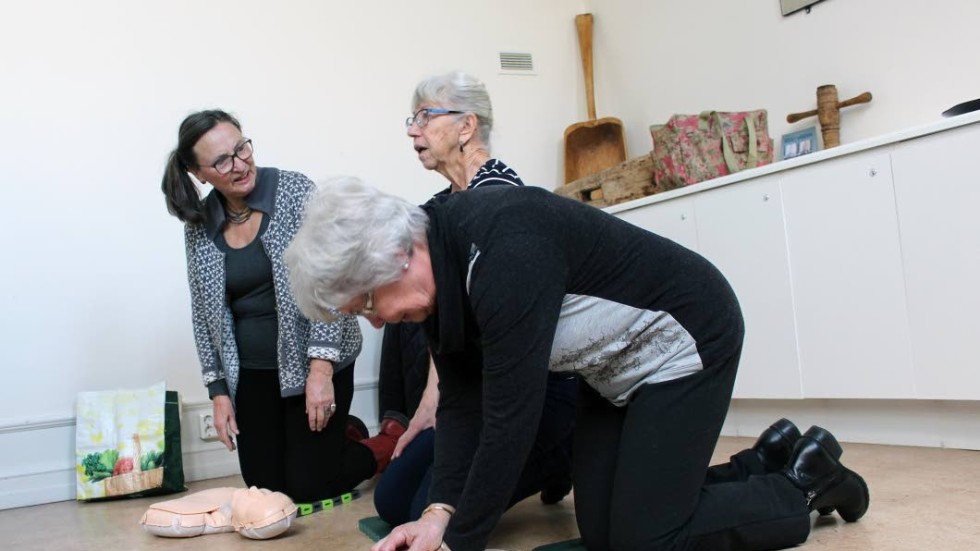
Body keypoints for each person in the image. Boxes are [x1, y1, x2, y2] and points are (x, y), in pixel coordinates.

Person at [285, 179, 871, 551]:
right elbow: (463, 407)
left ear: (397, 255)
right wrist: (440, 514)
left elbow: (511, 419)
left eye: (366, 301)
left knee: (646, 539)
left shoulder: (500, 249)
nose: (376, 320)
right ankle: (763, 462)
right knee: (604, 531)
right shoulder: (440, 276)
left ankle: (807, 483)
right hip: (611, 370)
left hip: (683, 340)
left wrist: (459, 542)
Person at [361, 71, 576, 526]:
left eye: (425, 117)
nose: (411, 130)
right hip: (474, 390)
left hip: (534, 389)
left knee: (428, 509)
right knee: (392, 501)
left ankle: (562, 453)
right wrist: (427, 405)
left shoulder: (502, 202)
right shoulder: (441, 209)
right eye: (411, 119)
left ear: (466, 127)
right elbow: (449, 323)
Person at [160, 109, 377, 503]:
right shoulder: (199, 224)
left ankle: (376, 447)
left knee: (309, 488)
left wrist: (320, 369)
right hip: (253, 372)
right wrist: (218, 391)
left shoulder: (295, 191)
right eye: (222, 160)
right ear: (198, 172)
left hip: (315, 358)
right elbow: (202, 311)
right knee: (265, 489)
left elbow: (329, 280)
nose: (240, 164)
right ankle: (333, 439)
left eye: (241, 148)